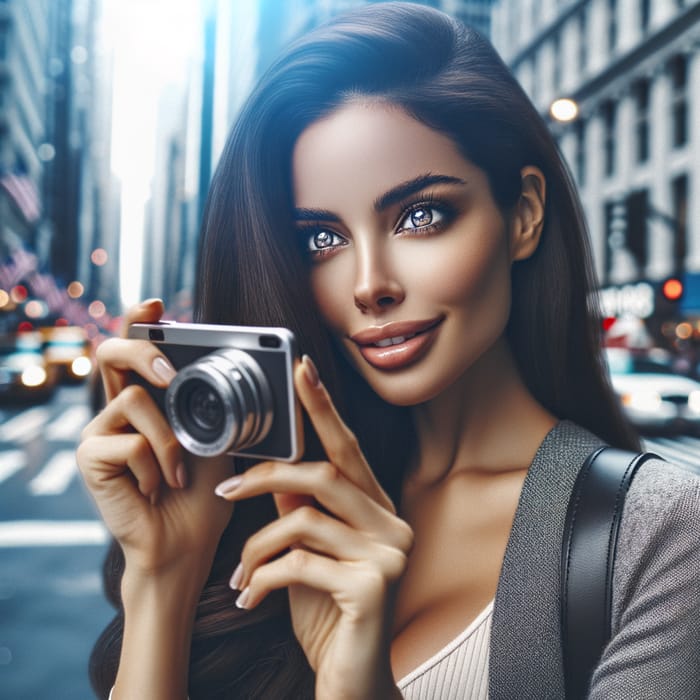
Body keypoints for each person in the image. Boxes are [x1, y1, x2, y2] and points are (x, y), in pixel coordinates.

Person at [77, 3, 700, 699]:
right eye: (321, 239)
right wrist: (165, 575)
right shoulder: (260, 504)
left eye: (421, 216)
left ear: (523, 214)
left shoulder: (654, 532)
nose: (369, 286)